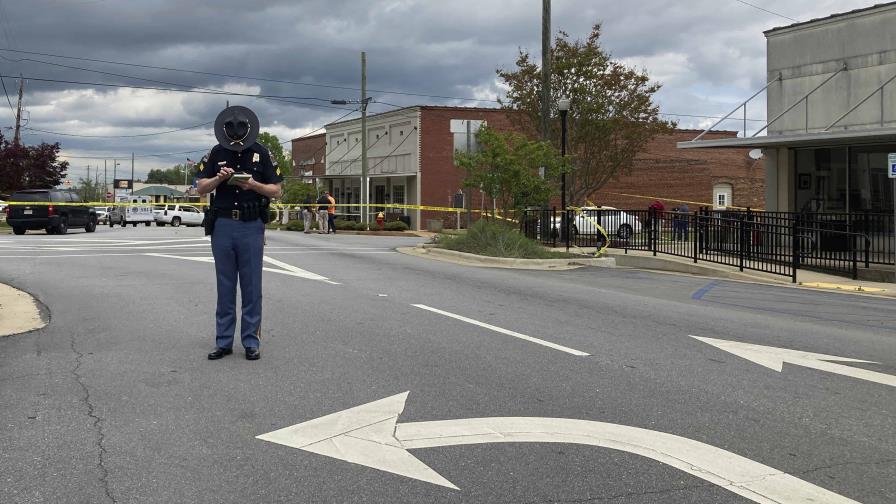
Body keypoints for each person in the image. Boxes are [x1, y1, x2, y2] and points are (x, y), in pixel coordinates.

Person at [197, 105, 283, 361]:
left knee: (251, 285)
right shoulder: (216, 152)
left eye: (240, 132)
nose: (235, 137)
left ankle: (250, 341)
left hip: (250, 225)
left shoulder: (261, 153)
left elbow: (277, 190)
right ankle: (223, 341)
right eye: (230, 133)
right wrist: (219, 179)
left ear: (248, 129)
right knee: (224, 286)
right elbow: (201, 187)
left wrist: (253, 184)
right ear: (224, 131)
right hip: (223, 225)